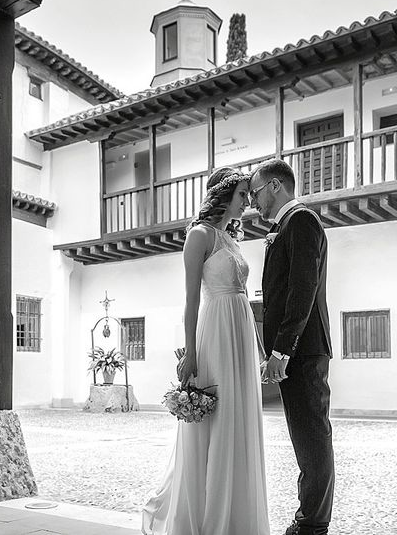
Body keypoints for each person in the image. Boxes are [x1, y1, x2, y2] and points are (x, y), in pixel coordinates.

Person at [142, 166, 270, 535]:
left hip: (240, 333)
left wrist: (259, 349)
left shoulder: (231, 239)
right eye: (242, 195)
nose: (248, 202)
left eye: (248, 195)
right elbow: (190, 300)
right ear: (223, 195)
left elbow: (245, 299)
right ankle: (208, 514)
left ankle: (237, 514)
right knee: (217, 417)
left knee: (239, 416)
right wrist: (193, 354)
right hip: (214, 331)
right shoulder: (199, 236)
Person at [250, 158, 334, 535]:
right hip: (297, 350)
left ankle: (312, 525)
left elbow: (303, 288)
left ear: (274, 187)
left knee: (312, 436)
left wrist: (282, 351)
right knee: (305, 436)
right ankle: (308, 518)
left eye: (255, 193)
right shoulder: (287, 225)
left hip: (302, 351)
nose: (253, 202)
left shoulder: (300, 220)